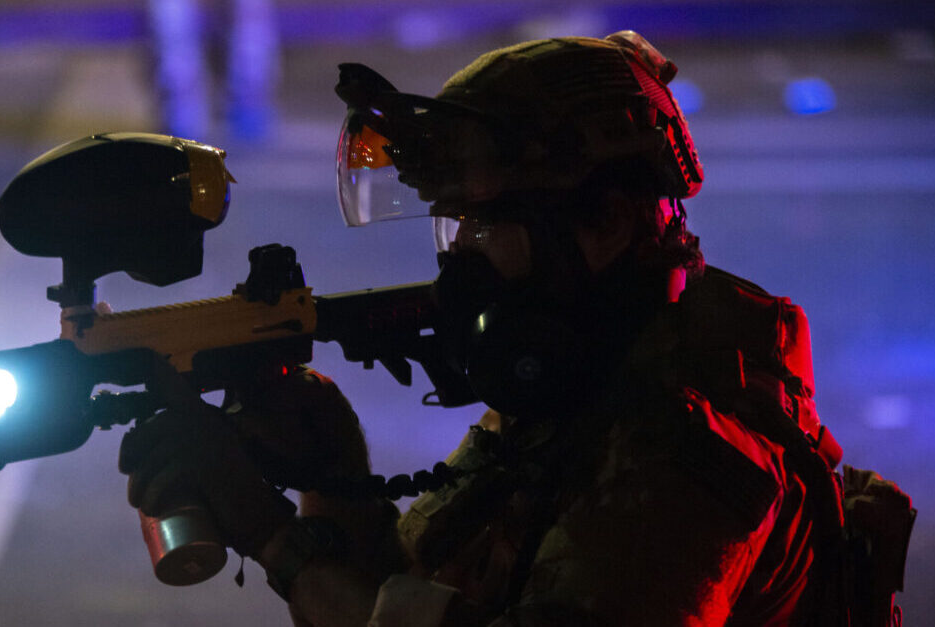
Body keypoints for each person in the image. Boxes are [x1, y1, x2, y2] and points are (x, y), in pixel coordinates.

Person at [118, 32, 859, 626]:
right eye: (455, 227)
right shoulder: (587, 373)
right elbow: (415, 595)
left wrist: (271, 534)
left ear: (604, 221)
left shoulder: (689, 456)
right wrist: (329, 464)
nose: (461, 261)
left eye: (487, 224)